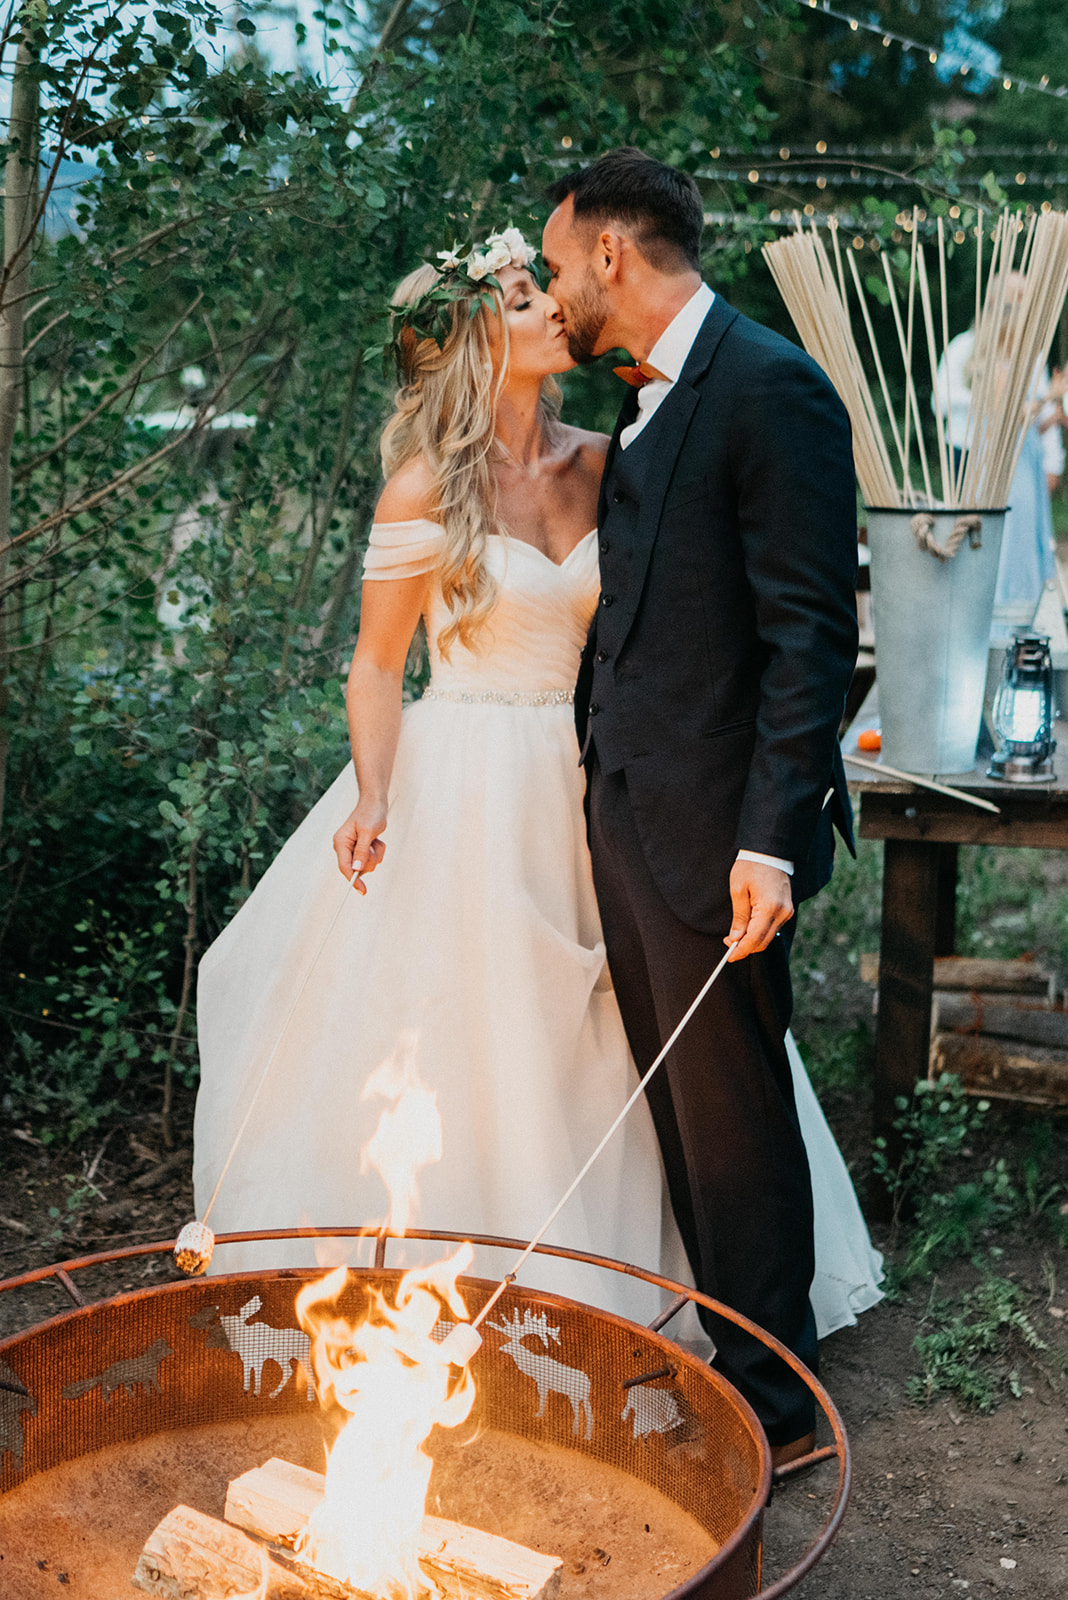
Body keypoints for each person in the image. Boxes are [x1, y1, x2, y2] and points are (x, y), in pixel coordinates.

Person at [193, 224, 880, 1363]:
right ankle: (465, 1307)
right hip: (462, 781)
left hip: (606, 776)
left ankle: (680, 1299)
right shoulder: (427, 486)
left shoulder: (614, 463)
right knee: (485, 1041)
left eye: (539, 285)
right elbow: (375, 663)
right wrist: (374, 794)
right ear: (472, 341)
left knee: (642, 1032)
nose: (549, 306)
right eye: (519, 299)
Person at [541, 149, 861, 1462]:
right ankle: (739, 1380)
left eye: (559, 263)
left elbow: (810, 641)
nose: (556, 289)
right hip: (631, 813)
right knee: (682, 1117)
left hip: (721, 835)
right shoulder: (646, 399)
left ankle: (781, 1422)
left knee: (731, 1123)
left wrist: (768, 845)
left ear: (613, 255)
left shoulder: (770, 389)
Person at [935, 281, 1066, 641]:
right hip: (994, 464)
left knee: (1027, 543)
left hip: (1025, 462)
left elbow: (1031, 424)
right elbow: (1005, 415)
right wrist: (1049, 397)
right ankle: (1001, 630)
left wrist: (1053, 415)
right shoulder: (980, 356)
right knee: (1006, 545)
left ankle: (1025, 626)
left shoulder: (1027, 359)